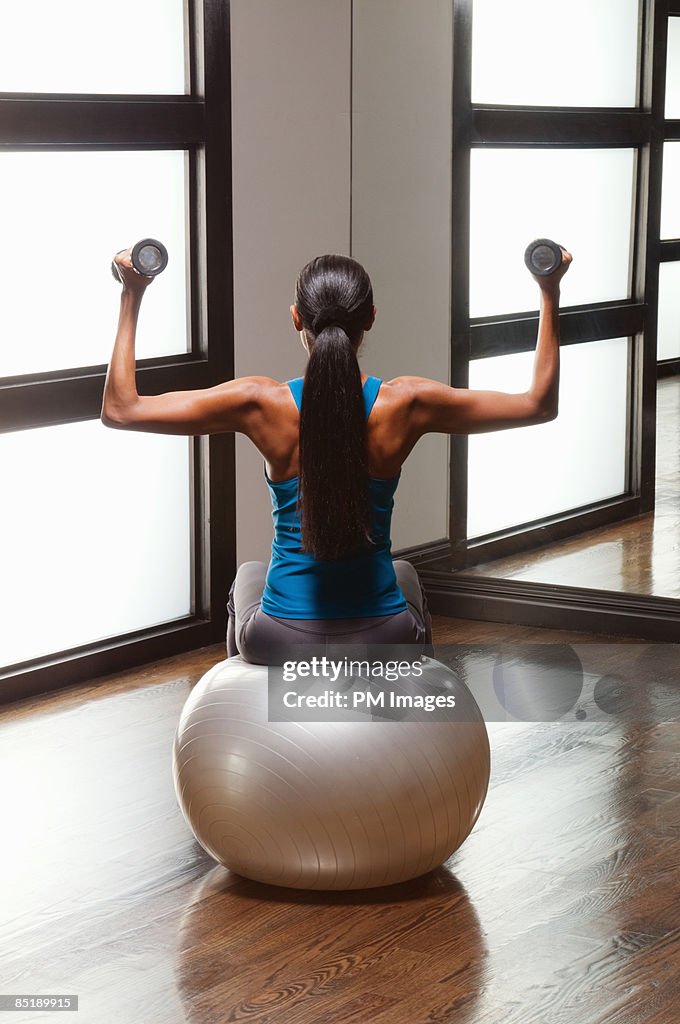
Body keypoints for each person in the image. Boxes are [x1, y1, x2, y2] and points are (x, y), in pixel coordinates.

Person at [103, 248, 571, 663]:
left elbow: (121, 409)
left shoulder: (260, 403)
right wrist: (549, 292)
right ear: (369, 317)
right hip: (385, 637)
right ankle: (412, 715)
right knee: (405, 573)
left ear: (295, 318)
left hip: (278, 638)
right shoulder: (405, 403)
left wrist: (132, 294)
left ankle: (259, 713)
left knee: (248, 575)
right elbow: (537, 404)